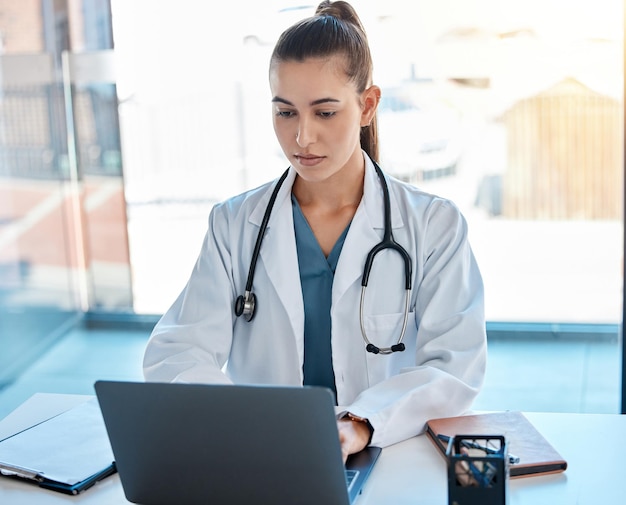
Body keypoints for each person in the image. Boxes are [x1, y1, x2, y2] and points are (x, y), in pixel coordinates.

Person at [143, 0, 487, 462]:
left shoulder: (434, 225)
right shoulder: (233, 225)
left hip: (389, 453)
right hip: (264, 456)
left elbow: (456, 365)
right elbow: (176, 353)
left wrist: (363, 423)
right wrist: (240, 418)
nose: (302, 138)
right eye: (285, 113)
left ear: (367, 106)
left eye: (324, 113)